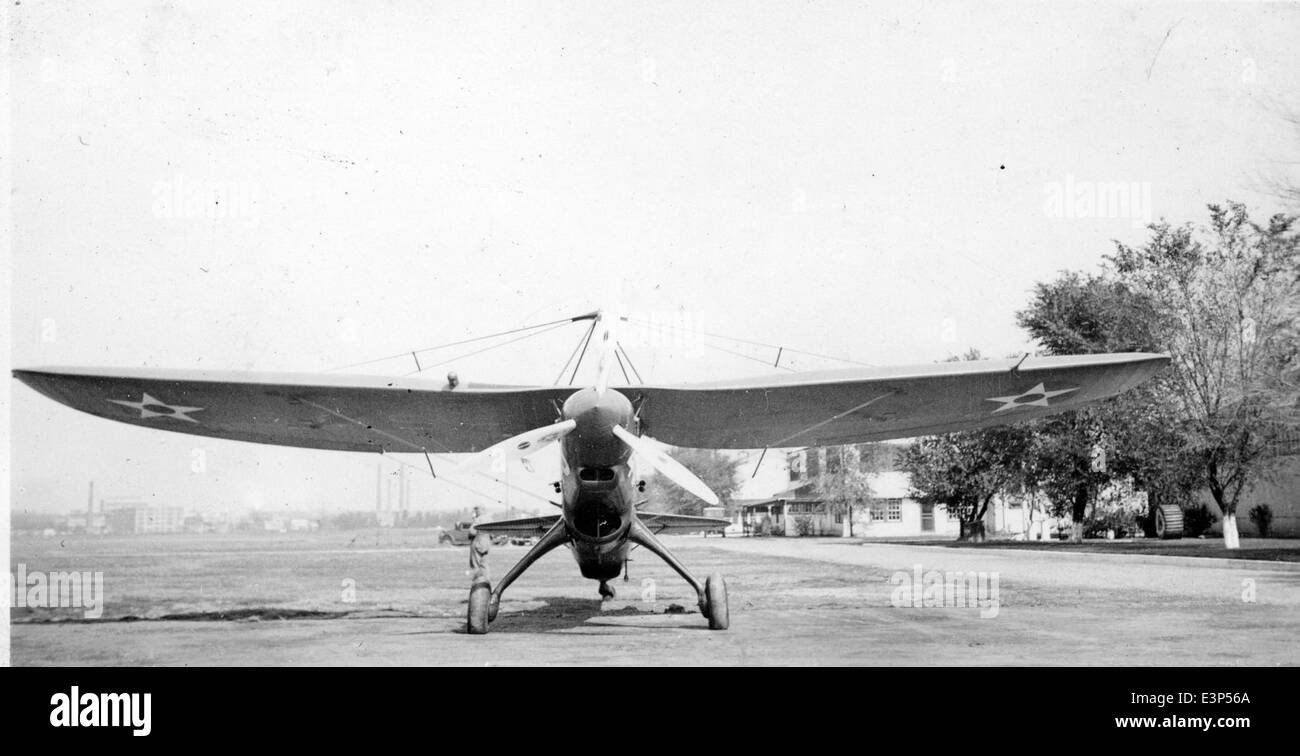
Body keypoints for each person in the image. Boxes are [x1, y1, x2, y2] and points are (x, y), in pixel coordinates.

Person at [467, 506, 490, 582]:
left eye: (476, 510)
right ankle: (486, 582)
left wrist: (473, 520)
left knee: (475, 565)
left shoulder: (478, 519)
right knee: (485, 565)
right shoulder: (489, 519)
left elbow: (472, 532)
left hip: (477, 542)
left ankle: (477, 582)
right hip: (486, 544)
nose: (475, 512)